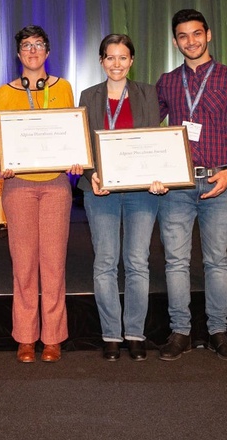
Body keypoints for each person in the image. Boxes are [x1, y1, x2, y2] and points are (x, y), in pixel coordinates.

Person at [155, 8, 227, 362]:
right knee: (175, 262)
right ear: (175, 41)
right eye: (183, 36)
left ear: (208, 35)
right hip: (178, 186)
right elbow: (150, 131)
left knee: (217, 262)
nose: (191, 41)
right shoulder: (167, 82)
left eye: (197, 34)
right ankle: (180, 331)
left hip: (218, 182)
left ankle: (218, 332)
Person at [0, 25, 84, 364]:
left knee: (53, 263)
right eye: (26, 46)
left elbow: (71, 130)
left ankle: (53, 337)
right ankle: (26, 337)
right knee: (24, 263)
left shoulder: (64, 88)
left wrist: (76, 156)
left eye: (39, 45)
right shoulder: (4, 92)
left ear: (48, 51)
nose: (32, 51)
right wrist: (4, 160)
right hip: (18, 186)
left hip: (56, 184)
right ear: (18, 54)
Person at [79, 34, 166, 361]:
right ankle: (111, 334)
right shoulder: (88, 96)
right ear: (101, 61)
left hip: (142, 192)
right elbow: (82, 143)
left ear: (132, 61)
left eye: (123, 57)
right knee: (104, 262)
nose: (116, 64)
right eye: (110, 57)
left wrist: (160, 174)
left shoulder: (148, 94)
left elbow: (154, 141)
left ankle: (135, 333)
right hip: (101, 190)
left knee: (137, 262)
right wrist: (91, 175)